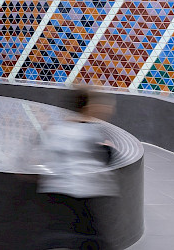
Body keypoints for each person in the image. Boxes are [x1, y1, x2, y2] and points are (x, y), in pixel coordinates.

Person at [37, 86, 118, 249]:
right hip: (81, 191)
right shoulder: (90, 131)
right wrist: (109, 148)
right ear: (88, 107)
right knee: (91, 238)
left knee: (64, 233)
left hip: (56, 189)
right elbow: (105, 158)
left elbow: (43, 155)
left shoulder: (57, 129)